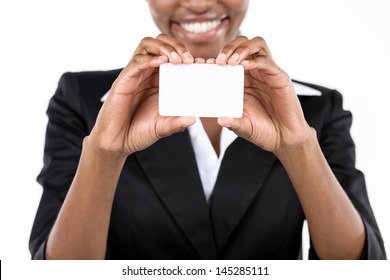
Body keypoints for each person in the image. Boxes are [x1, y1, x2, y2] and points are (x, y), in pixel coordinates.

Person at [30, 0, 386, 260]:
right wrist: (105, 154)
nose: (199, 4)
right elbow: (54, 268)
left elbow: (361, 265)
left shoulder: (317, 107)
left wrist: (298, 148)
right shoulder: (84, 99)